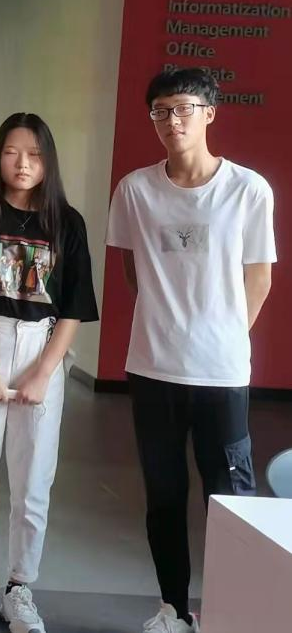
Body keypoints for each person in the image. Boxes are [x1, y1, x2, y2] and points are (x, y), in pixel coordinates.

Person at [107, 68, 275, 633]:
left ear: (209, 112)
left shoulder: (248, 190)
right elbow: (134, 270)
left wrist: (224, 336)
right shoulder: (135, 190)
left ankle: (234, 614)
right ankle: (173, 610)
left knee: (229, 498)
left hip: (221, 373)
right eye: (160, 111)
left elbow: (259, 278)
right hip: (152, 367)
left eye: (183, 108)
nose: (171, 120)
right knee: (163, 495)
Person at [0, 113, 98, 633]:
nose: (22, 163)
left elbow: (75, 306)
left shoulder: (67, 223)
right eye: (12, 152)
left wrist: (42, 374)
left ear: (47, 161)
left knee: (34, 481)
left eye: (34, 154)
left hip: (42, 349)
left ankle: (19, 588)